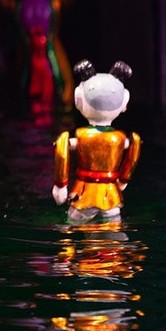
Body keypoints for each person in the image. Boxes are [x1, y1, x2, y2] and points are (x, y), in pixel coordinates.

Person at [53, 60, 141, 223]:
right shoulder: (120, 138)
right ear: (124, 102)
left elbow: (62, 149)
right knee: (113, 227)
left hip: (84, 192)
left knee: (72, 226)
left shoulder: (81, 136)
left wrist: (60, 185)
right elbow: (133, 154)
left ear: (78, 99)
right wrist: (123, 180)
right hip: (111, 193)